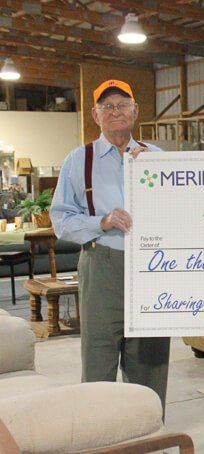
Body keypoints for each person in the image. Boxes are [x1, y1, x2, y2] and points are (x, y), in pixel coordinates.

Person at [50, 80, 170, 414]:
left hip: (151, 269)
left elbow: (179, 213)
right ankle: (101, 437)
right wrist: (100, 222)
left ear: (135, 110)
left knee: (151, 361)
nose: (115, 111)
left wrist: (155, 175)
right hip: (102, 265)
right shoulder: (79, 160)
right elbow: (60, 219)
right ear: (95, 114)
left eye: (122, 104)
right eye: (107, 106)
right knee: (99, 358)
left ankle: (148, 434)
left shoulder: (157, 157)